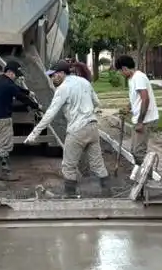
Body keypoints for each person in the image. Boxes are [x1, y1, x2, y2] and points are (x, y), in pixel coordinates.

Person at [24, 60, 110, 197]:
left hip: (77, 130)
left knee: (68, 166)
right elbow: (96, 102)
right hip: (92, 127)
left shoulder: (63, 88)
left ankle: (70, 195)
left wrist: (34, 133)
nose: (51, 78)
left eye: (53, 75)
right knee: (97, 164)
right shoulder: (84, 82)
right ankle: (107, 192)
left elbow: (50, 114)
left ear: (62, 73)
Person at [0, 60, 38, 181]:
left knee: (2, 145)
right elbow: (21, 97)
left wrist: (28, 91)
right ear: (10, 72)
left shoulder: (0, 79)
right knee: (5, 146)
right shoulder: (8, 85)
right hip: (2, 119)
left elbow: (16, 89)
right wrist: (36, 106)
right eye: (15, 75)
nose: (16, 77)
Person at [114, 54, 159, 165]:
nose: (121, 74)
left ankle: (147, 176)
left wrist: (140, 122)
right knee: (134, 151)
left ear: (124, 68)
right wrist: (128, 107)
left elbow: (145, 99)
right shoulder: (132, 79)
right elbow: (137, 98)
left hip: (145, 120)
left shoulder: (138, 77)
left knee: (138, 152)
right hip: (139, 119)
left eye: (120, 71)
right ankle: (141, 174)